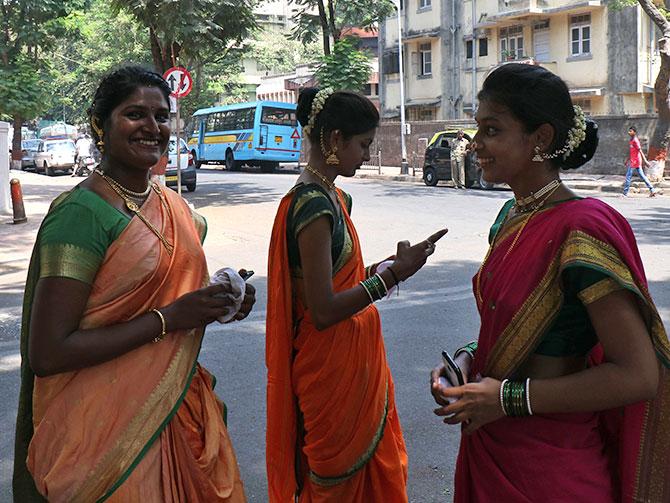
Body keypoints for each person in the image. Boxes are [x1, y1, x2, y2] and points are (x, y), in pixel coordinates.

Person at [13, 65, 255, 502]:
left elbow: (173, 290)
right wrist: (170, 318)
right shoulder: (82, 214)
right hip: (102, 437)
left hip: (176, 411)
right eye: (135, 114)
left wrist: (221, 299)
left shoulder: (173, 207)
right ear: (100, 125)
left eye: (161, 116)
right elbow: (48, 352)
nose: (152, 127)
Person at [430, 63, 669, 502]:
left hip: (551, 468)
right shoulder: (510, 218)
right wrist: (466, 359)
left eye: (492, 130)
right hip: (493, 447)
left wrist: (507, 399)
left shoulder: (583, 228)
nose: (476, 144)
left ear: (540, 139)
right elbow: (518, 330)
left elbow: (639, 376)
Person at [266, 87, 447, 502]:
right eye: (363, 144)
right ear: (333, 140)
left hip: (350, 361)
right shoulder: (313, 207)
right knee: (336, 485)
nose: (366, 154)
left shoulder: (333, 196)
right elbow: (324, 309)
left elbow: (338, 281)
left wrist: (391, 268)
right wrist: (388, 279)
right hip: (329, 370)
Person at [622, 126, 658, 197]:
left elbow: (640, 151)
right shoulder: (631, 140)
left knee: (628, 176)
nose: (629, 132)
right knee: (642, 176)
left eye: (631, 131)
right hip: (633, 160)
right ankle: (652, 190)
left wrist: (645, 161)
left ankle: (625, 193)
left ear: (634, 132)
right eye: (629, 131)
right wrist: (627, 160)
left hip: (636, 161)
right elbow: (632, 152)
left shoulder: (635, 140)